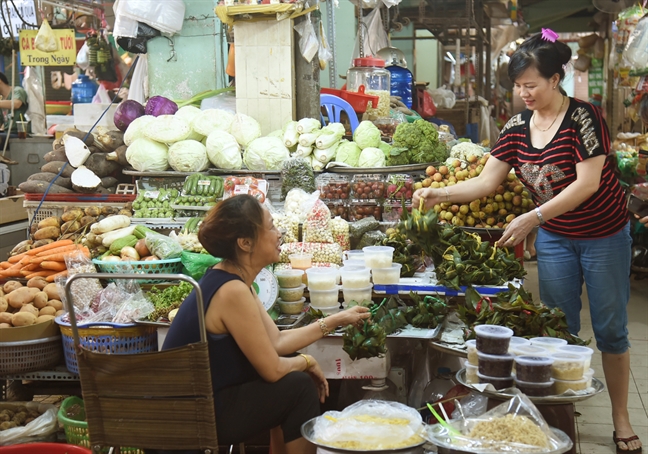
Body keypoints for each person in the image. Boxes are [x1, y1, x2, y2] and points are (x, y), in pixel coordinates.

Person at [414, 30, 641, 454]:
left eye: (531, 85)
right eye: (519, 86)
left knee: (611, 331)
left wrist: (533, 217)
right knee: (557, 331)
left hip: (604, 235)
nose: (524, 94)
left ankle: (621, 417)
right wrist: (438, 193)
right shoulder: (517, 126)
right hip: (556, 237)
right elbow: (487, 180)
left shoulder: (585, 118)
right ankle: (559, 421)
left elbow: (588, 184)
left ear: (556, 79)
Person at [149, 194, 370, 454]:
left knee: (294, 379)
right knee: (299, 388)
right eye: (271, 227)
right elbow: (273, 370)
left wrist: (337, 319)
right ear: (245, 243)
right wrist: (308, 362)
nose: (280, 233)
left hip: (201, 404)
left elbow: (277, 342)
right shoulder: (231, 291)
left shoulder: (233, 280)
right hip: (189, 418)